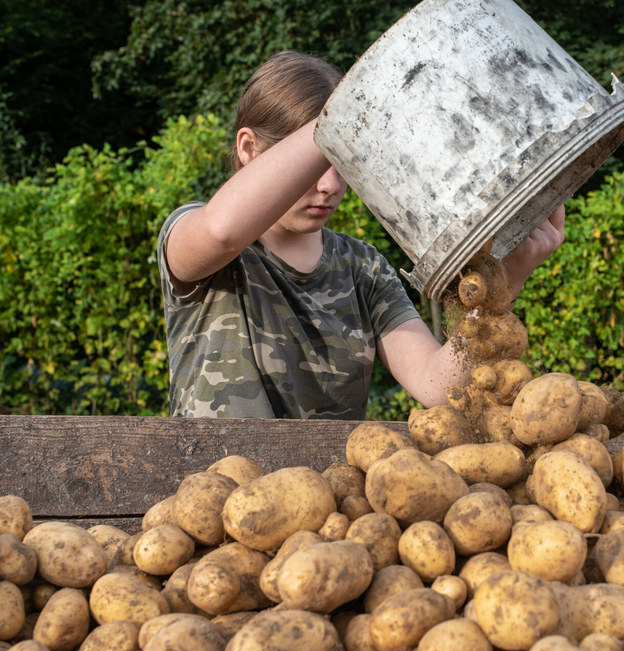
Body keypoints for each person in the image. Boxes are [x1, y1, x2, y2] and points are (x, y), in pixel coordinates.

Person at [157, 50, 564, 419]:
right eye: (317, 162)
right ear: (249, 149)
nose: (331, 186)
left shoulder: (364, 268)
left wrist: (502, 282)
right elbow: (221, 230)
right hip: (214, 491)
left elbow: (438, 386)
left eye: (345, 163)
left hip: (330, 498)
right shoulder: (197, 237)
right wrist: (355, 107)